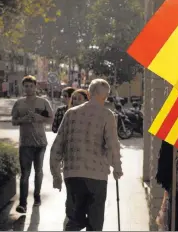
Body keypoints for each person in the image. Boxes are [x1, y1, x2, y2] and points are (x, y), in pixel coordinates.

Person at [50, 78, 123, 231]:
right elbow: (112, 145)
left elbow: (57, 146)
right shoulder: (107, 115)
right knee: (95, 223)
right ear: (106, 96)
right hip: (97, 176)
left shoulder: (71, 113)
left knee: (74, 219)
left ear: (89, 93)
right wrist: (117, 167)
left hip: (73, 174)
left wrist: (56, 175)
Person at [11, 75, 53, 213]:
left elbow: (51, 119)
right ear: (23, 87)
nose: (29, 88)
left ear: (36, 87)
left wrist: (39, 117)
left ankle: (37, 196)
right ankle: (23, 203)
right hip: (25, 143)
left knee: (39, 171)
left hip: (40, 143)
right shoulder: (19, 103)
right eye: (26, 86)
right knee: (25, 174)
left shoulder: (43, 102)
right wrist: (24, 119)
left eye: (31, 86)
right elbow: (14, 121)